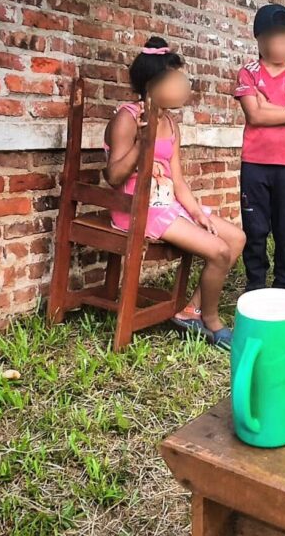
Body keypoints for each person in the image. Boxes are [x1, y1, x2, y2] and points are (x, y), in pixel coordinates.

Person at [104, 37, 246, 350]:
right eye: (176, 80)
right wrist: (143, 143)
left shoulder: (170, 122)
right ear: (152, 85)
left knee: (235, 239)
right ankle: (210, 320)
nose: (185, 87)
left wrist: (196, 213)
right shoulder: (127, 118)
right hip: (136, 208)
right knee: (219, 251)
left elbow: (178, 181)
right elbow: (113, 176)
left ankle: (191, 310)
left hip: (167, 203)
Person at [234, 4, 285, 292]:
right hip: (255, 164)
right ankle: (255, 283)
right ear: (260, 40)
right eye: (276, 37)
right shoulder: (249, 73)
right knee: (255, 229)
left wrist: (269, 107)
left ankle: (284, 285)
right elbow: (254, 116)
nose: (283, 44)